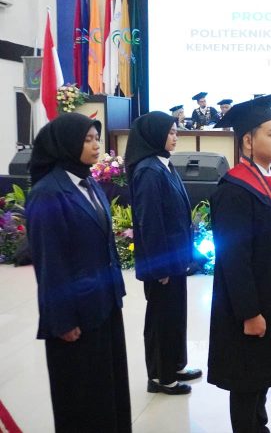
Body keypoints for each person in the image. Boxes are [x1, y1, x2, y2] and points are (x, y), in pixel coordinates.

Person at [26, 113, 130, 432]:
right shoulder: (48, 192)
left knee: (108, 391)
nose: (97, 145)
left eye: (97, 138)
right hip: (75, 317)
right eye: (88, 139)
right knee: (82, 400)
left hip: (104, 305)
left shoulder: (89, 183)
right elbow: (50, 262)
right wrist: (62, 320)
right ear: (67, 144)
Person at [208, 94, 271, 433]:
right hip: (249, 304)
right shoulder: (234, 190)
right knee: (247, 378)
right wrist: (249, 312)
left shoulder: (270, 179)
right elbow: (234, 259)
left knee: (262, 372)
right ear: (248, 140)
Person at [125, 112, 202, 396]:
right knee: (160, 318)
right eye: (170, 132)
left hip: (175, 258)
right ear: (155, 135)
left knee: (175, 314)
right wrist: (160, 267)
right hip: (163, 262)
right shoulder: (148, 170)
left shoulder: (163, 165)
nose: (175, 136)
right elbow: (150, 222)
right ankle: (159, 376)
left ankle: (175, 364)